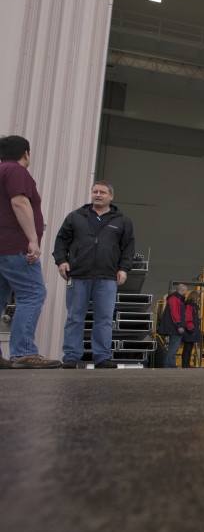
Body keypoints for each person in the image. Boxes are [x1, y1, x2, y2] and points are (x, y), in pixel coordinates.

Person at [52, 180, 135, 369]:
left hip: (107, 277)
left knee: (104, 319)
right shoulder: (75, 217)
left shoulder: (122, 220)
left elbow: (128, 247)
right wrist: (61, 261)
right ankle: (71, 356)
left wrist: (123, 268)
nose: (98, 195)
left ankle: (102, 357)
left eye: (103, 192)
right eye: (95, 191)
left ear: (111, 196)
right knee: (75, 317)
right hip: (79, 275)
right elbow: (61, 241)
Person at [0, 135, 60, 369]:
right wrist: (32, 240)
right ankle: (23, 352)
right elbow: (19, 202)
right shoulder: (16, 171)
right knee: (32, 294)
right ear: (26, 153)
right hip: (15, 248)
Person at [156, 283, 188, 367]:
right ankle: (169, 366)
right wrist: (179, 325)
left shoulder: (175, 298)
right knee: (173, 348)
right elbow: (175, 313)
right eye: (186, 290)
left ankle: (171, 365)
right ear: (182, 290)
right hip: (174, 328)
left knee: (172, 348)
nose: (186, 292)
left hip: (172, 327)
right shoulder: (175, 299)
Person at [180, 290, 201, 368]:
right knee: (187, 349)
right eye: (198, 297)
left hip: (190, 331)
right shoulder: (190, 306)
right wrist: (192, 330)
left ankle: (186, 364)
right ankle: (185, 365)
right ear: (195, 297)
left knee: (188, 349)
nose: (199, 299)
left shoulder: (191, 306)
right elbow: (188, 319)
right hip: (189, 331)